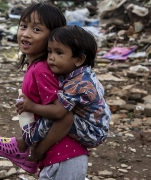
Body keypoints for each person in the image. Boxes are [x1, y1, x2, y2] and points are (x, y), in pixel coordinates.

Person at [0, 3, 89, 179]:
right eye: (23, 26)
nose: (26, 33)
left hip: (64, 157)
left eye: (36, 29)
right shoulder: (36, 66)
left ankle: (22, 147)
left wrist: (37, 151)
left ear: (53, 37)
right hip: (60, 156)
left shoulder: (41, 70)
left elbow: (65, 117)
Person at [17, 25, 111, 153]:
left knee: (59, 117)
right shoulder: (73, 72)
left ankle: (27, 145)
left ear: (79, 59)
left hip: (92, 131)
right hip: (90, 124)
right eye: (49, 51)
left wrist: (32, 106)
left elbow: (58, 111)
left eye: (59, 53)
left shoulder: (80, 83)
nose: (51, 57)